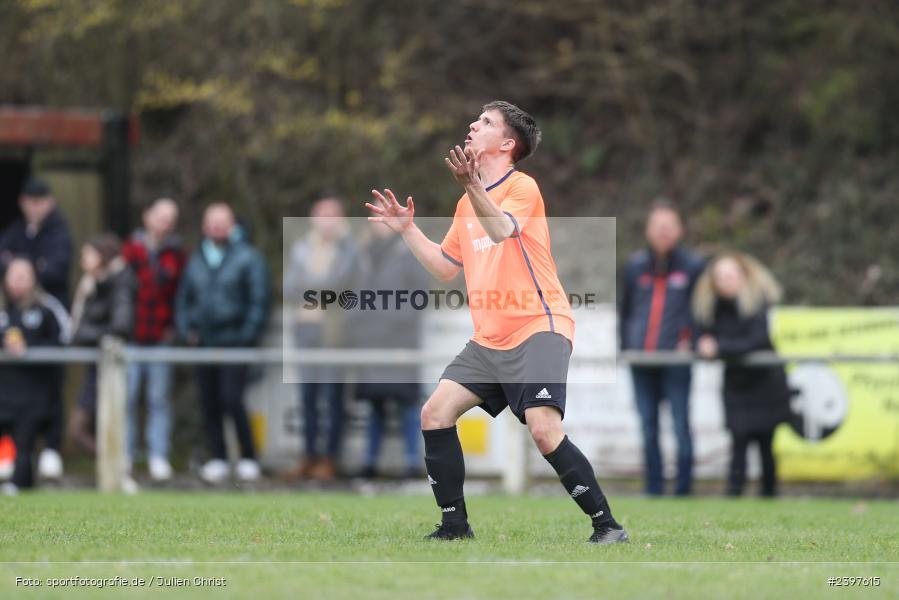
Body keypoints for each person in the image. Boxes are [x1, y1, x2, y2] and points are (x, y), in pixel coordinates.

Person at [365, 100, 627, 543]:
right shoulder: (466, 203)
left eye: (485, 122)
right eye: (476, 119)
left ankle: (607, 526)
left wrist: (472, 187)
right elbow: (446, 266)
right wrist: (408, 229)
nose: (472, 124)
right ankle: (454, 528)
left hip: (538, 326)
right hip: (490, 339)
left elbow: (503, 230)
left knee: (544, 431)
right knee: (434, 413)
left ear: (507, 143)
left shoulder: (523, 187)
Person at [175, 203, 270, 485]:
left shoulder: (248, 257)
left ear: (232, 225)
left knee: (232, 399)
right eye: (212, 221)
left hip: (235, 342)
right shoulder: (196, 259)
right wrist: (187, 330)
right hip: (203, 342)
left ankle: (248, 456)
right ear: (205, 226)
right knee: (209, 401)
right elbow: (183, 300)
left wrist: (246, 334)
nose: (217, 227)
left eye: (222, 221)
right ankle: (217, 456)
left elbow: (258, 301)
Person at [618, 201, 705, 496]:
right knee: (648, 427)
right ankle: (653, 489)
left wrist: (692, 340)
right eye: (658, 226)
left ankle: (683, 490)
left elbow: (701, 311)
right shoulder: (635, 266)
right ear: (648, 230)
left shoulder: (693, 267)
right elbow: (625, 310)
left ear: (679, 230)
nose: (663, 232)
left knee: (681, 425)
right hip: (641, 360)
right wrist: (625, 346)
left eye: (669, 226)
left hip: (677, 361)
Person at [693, 253, 791, 497]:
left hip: (766, 382)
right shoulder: (710, 306)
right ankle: (734, 493)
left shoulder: (758, 303)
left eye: (731, 275)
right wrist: (703, 343)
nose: (726, 281)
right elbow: (702, 335)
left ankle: (769, 494)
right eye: (720, 277)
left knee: (766, 443)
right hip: (736, 383)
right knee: (738, 440)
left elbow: (755, 341)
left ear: (743, 276)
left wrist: (719, 347)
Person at [0, 178, 73, 480]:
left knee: (45, 402)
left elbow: (56, 267)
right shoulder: (16, 231)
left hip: (38, 380)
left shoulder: (48, 309)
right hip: (10, 384)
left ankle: (50, 450)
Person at [283, 196, 357, 482]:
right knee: (307, 396)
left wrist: (310, 287)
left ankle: (329, 457)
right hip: (305, 330)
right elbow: (289, 286)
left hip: (333, 332)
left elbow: (340, 284)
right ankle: (309, 455)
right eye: (321, 215)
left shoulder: (349, 248)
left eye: (331, 215)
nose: (326, 221)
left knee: (333, 396)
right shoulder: (302, 247)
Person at [349, 222, 430, 479]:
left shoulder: (408, 253)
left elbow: (420, 296)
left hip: (400, 342)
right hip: (371, 343)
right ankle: (369, 462)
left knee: (407, 403)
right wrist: (363, 327)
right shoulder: (363, 254)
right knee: (375, 405)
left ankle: (411, 462)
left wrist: (389, 321)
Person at [121, 198, 186, 482]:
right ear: (147, 216)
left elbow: (181, 295)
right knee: (128, 398)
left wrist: (177, 327)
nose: (165, 222)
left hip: (161, 337)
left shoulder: (177, 254)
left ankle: (158, 456)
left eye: (171, 218)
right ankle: (125, 455)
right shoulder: (131, 249)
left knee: (158, 399)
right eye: (161, 216)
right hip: (132, 337)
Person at [0, 258, 69, 494]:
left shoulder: (47, 307)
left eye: (24, 276)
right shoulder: (2, 308)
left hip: (35, 394)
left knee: (25, 442)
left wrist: (30, 347)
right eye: (14, 275)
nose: (18, 282)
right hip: (4, 392)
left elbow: (64, 341)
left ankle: (19, 483)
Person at [68, 234, 135, 457]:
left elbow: (121, 326)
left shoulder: (118, 283)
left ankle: (119, 469)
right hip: (95, 367)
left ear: (101, 256)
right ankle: (115, 469)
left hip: (111, 368)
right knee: (81, 429)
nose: (83, 260)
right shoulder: (92, 284)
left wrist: (83, 334)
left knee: (85, 428)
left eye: (87, 255)